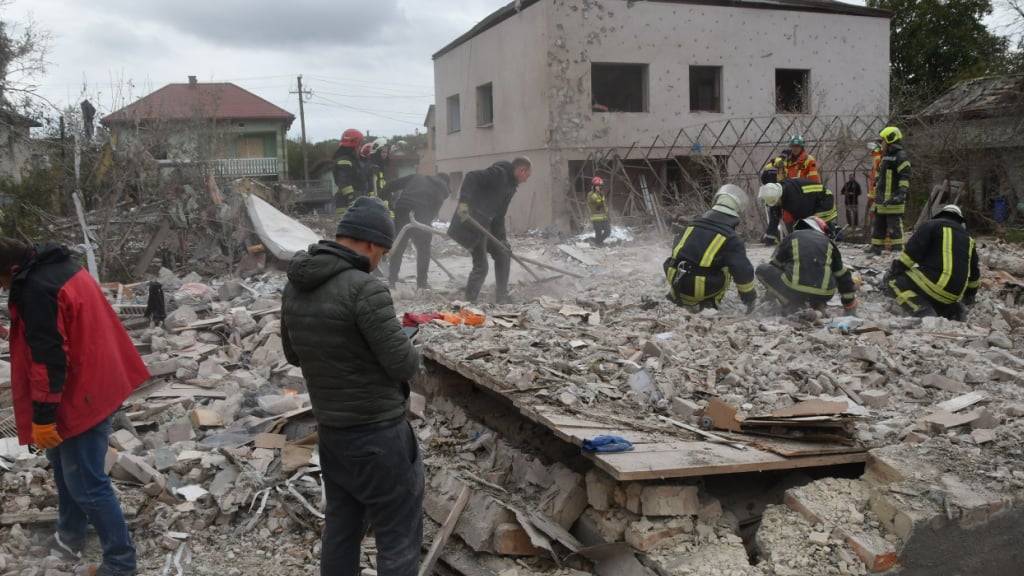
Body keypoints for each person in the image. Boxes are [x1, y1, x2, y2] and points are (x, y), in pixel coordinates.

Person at [281, 197, 422, 576]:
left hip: (332, 434)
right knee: (398, 536)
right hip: (378, 434)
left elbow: (293, 353)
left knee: (342, 530)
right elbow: (404, 364)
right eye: (385, 252)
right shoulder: (365, 288)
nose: (382, 260)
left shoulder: (296, 285)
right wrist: (407, 341)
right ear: (372, 245)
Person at [2, 239, 149, 576]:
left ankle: (120, 563)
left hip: (80, 394)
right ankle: (71, 535)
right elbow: (59, 328)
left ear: (11, 270)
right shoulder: (56, 267)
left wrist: (43, 418)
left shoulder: (37, 289)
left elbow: (49, 360)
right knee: (63, 465)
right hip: (96, 379)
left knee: (86, 481)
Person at [447, 157, 532, 303]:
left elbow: (499, 216)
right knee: (482, 266)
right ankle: (469, 301)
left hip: (483, 225)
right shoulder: (499, 173)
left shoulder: (511, 187)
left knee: (503, 254)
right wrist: (463, 206)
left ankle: (501, 296)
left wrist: (502, 240)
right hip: (468, 223)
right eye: (527, 176)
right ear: (521, 170)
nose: (526, 180)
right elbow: (471, 177)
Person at [664, 185, 757, 312]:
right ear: (735, 214)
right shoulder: (732, 239)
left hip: (674, 279)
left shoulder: (691, 225)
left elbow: (677, 251)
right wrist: (749, 298)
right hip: (698, 288)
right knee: (726, 266)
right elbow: (742, 271)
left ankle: (676, 297)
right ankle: (710, 303)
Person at [884, 205, 979, 321]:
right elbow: (974, 275)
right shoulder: (969, 239)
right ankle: (954, 311)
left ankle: (922, 310)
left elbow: (911, 254)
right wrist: (970, 296)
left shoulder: (931, 225)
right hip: (953, 296)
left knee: (893, 282)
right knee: (937, 293)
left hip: (934, 285)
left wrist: (895, 270)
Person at [756, 217, 858, 313]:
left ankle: (792, 304)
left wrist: (772, 293)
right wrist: (849, 304)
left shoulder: (791, 237)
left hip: (795, 290)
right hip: (824, 294)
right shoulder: (829, 242)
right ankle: (817, 303)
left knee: (761, 270)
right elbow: (843, 275)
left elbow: (774, 266)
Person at [386, 174, 451, 288]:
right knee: (424, 249)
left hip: (402, 208)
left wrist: (388, 205)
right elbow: (433, 212)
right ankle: (422, 283)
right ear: (446, 182)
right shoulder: (442, 188)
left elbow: (390, 185)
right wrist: (424, 226)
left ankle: (392, 280)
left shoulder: (417, 177)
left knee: (399, 246)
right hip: (422, 212)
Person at [757, 178, 837, 244]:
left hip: (824, 201)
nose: (775, 205)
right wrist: (770, 235)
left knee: (814, 225)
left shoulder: (794, 201)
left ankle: (831, 237)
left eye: (775, 202)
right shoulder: (779, 189)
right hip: (812, 200)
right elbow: (775, 212)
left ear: (778, 198)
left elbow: (803, 221)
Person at [870, 126, 910, 255]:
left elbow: (905, 177)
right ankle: (876, 248)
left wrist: (901, 193)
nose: (881, 143)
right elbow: (881, 174)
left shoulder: (901, 156)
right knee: (879, 225)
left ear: (890, 140)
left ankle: (898, 250)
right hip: (882, 199)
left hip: (893, 199)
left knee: (894, 227)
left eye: (883, 141)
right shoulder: (885, 156)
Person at [333, 129, 366, 216]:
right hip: (346, 203)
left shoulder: (352, 160)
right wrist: (351, 198)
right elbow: (344, 182)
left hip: (353, 201)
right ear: (354, 145)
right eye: (360, 145)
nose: (360, 148)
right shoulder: (344, 160)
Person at [587, 176, 611, 246]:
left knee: (608, 232)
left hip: (604, 217)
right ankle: (598, 244)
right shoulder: (591, 194)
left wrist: (608, 214)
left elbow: (604, 205)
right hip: (596, 217)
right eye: (597, 186)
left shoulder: (601, 193)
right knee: (598, 233)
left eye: (600, 186)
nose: (599, 187)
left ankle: (597, 242)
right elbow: (597, 202)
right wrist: (600, 197)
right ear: (594, 186)